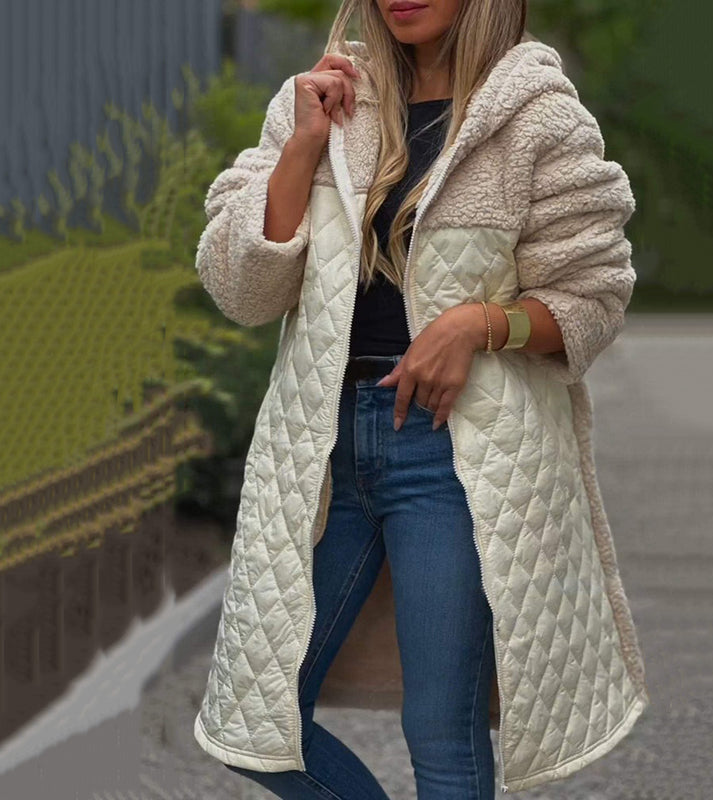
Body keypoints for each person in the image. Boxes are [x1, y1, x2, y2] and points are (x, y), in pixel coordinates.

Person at [192, 0, 651, 797]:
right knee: (256, 723)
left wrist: (477, 325)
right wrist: (302, 146)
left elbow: (593, 296)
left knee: (441, 731)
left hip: (454, 452)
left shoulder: (537, 116)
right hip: (319, 449)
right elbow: (243, 291)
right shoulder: (326, 101)